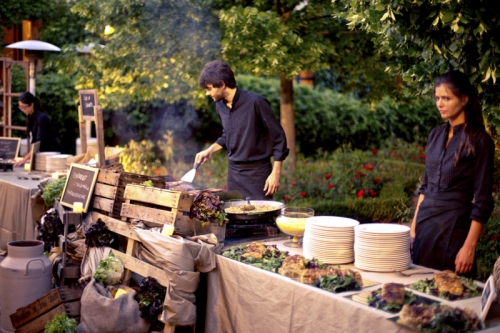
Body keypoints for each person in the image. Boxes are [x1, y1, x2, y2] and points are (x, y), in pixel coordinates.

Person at [410, 70, 495, 278]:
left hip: (455, 229)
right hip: (424, 227)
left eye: (446, 98)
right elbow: (425, 187)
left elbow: (483, 201)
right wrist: (412, 230)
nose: (440, 103)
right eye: (437, 98)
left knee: (451, 296)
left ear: (464, 99)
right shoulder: (435, 134)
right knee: (419, 294)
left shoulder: (480, 140)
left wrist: (469, 247)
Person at [194, 60, 289, 200]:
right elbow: (228, 135)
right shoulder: (220, 106)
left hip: (258, 174)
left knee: (260, 217)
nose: (208, 94)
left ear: (221, 84)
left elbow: (279, 137)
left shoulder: (256, 102)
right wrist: (210, 150)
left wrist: (276, 173)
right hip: (234, 174)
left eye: (209, 89)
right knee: (235, 218)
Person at [13, 92, 62, 167]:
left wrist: (24, 160)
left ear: (32, 105)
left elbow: (38, 143)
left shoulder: (41, 118)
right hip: (43, 154)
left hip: (52, 154)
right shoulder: (30, 116)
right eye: (20, 107)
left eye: (24, 107)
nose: (22, 110)